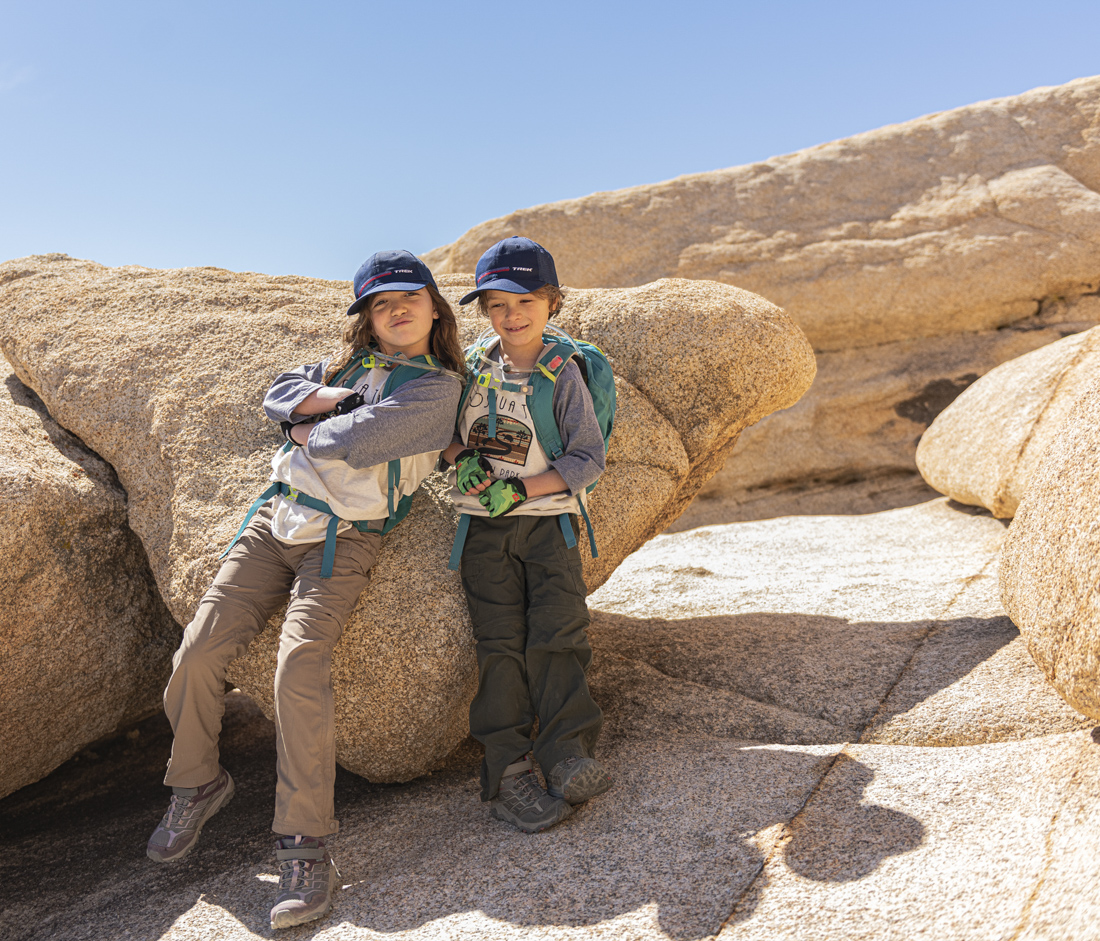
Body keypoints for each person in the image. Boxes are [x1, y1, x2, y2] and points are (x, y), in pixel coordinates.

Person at [146, 250, 464, 930]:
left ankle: (305, 843)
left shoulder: (438, 389)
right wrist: (324, 404)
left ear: (435, 307)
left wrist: (309, 423)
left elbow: (353, 440)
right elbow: (278, 392)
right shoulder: (345, 367)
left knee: (299, 666)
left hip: (343, 540)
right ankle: (197, 780)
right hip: (272, 521)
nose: (397, 310)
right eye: (381, 304)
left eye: (409, 298)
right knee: (196, 653)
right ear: (368, 320)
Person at [443, 236, 613, 834]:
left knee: (559, 637)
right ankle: (507, 771)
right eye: (496, 305)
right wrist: (461, 457)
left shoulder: (562, 372)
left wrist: (524, 489)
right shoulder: (469, 368)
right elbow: (440, 433)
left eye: (524, 303)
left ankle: (567, 755)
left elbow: (589, 457)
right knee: (500, 650)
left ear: (552, 303)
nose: (510, 317)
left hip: (550, 528)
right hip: (483, 533)